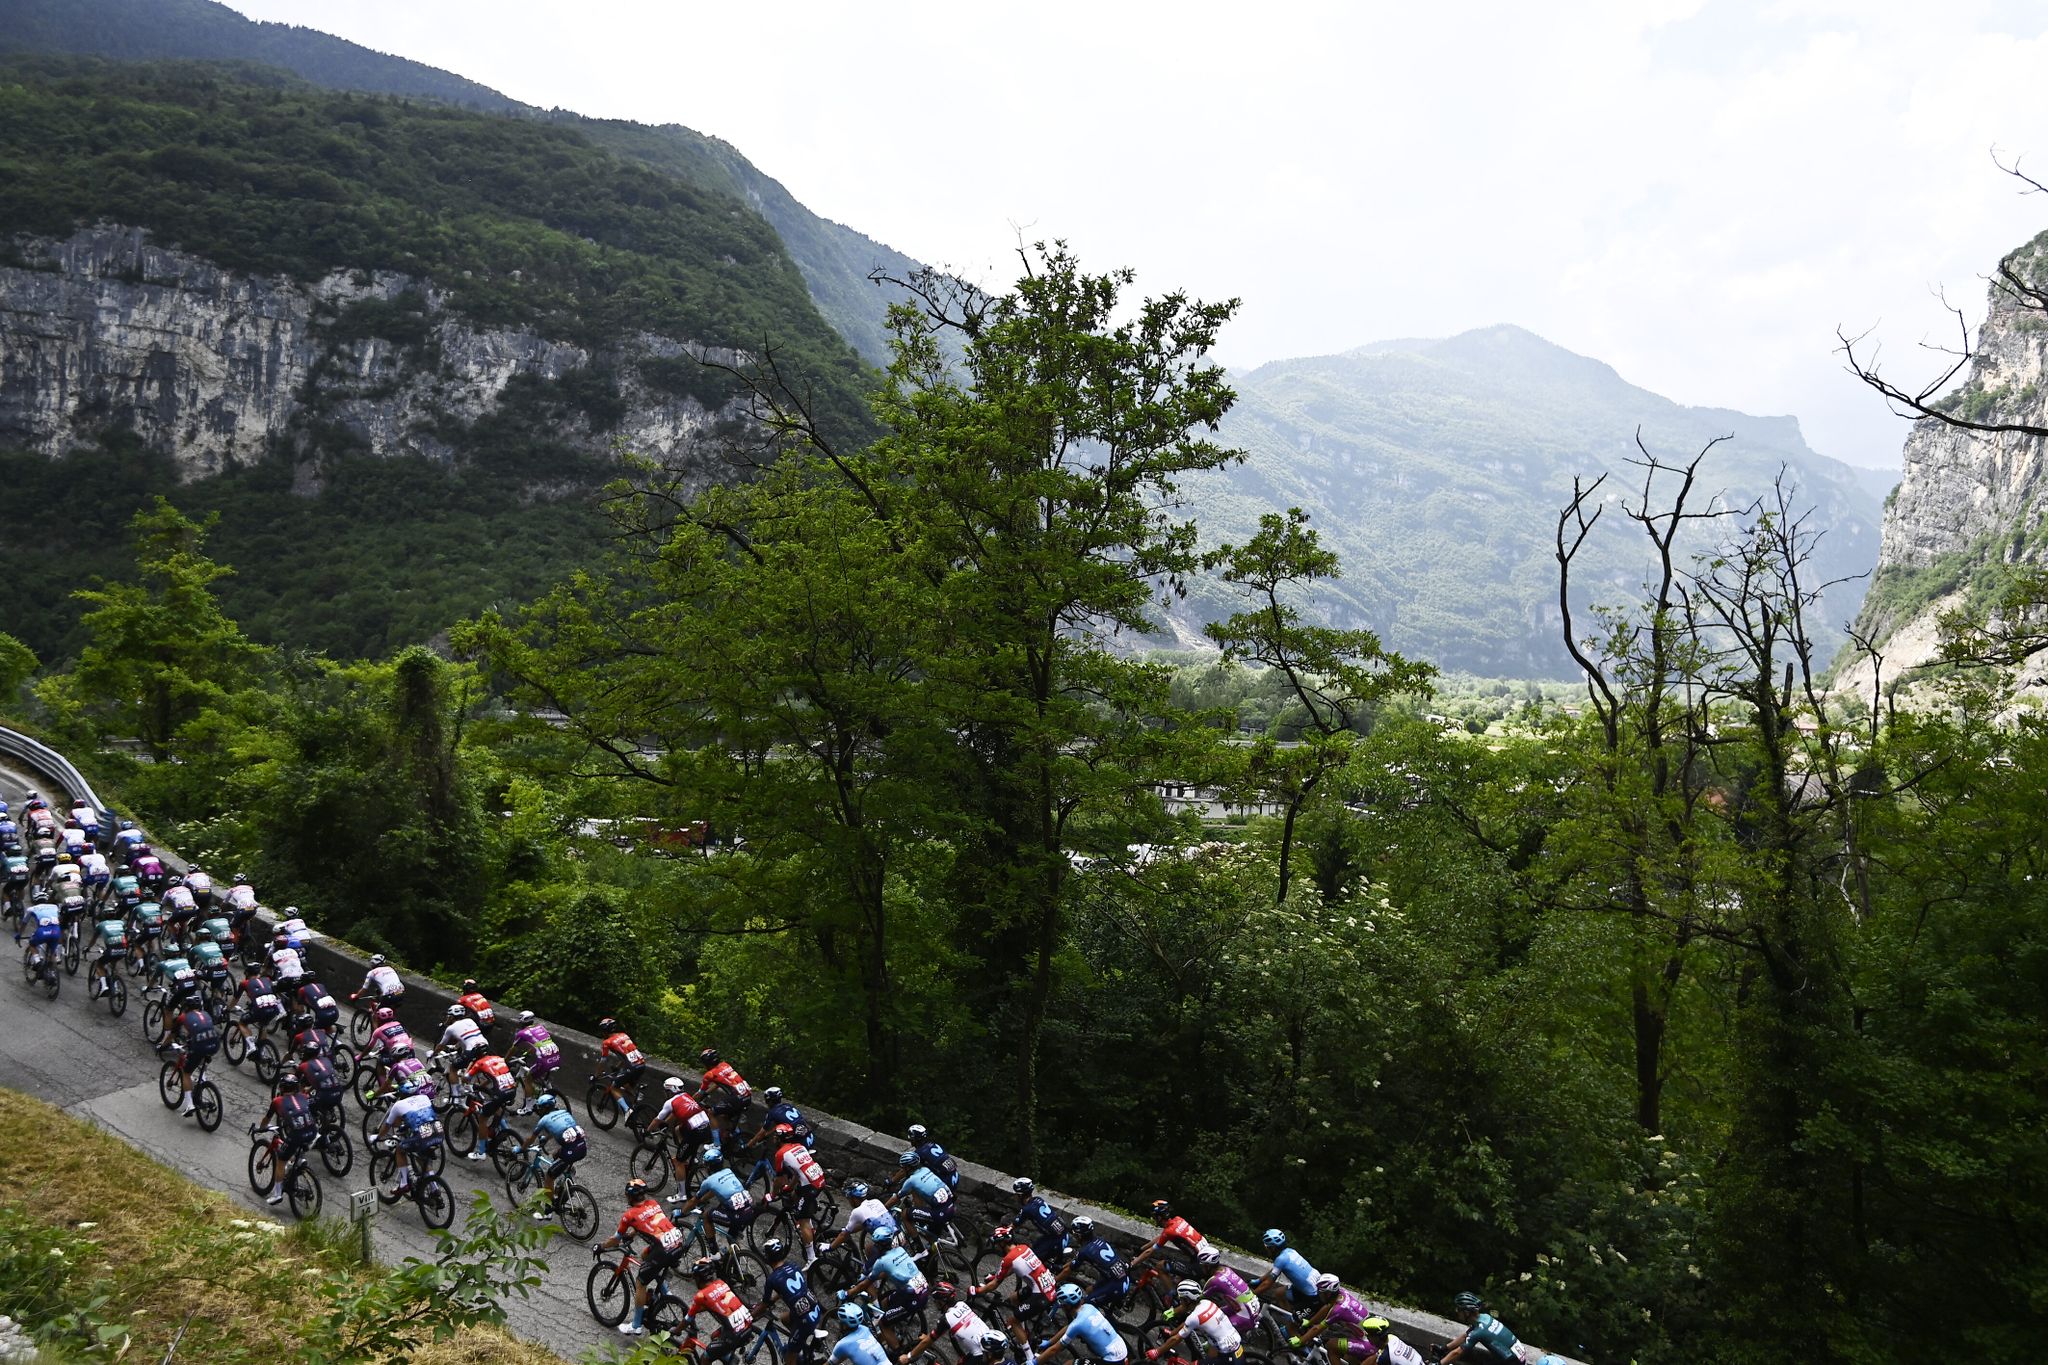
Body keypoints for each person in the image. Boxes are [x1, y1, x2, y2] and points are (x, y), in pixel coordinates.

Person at [596, 1176, 689, 1337]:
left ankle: (636, 1325)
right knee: (645, 1255)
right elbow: (649, 1223)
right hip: (677, 1241)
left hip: (663, 1249)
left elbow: (615, 1239)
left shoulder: (629, 1214)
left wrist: (601, 1246)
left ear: (630, 1197)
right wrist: (632, 1233)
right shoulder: (653, 1203)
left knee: (641, 1282)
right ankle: (666, 1295)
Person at [968, 1223, 1059, 1349]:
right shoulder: (1024, 1247)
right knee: (1014, 1298)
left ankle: (1029, 1358)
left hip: (1041, 1295)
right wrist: (997, 1276)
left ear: (1001, 1243)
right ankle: (1025, 1330)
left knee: (1012, 1321)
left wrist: (977, 1290)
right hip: (1048, 1286)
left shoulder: (1008, 1259)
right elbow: (1016, 1268)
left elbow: (994, 1286)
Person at [842, 1226, 929, 1352]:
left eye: (876, 1244)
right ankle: (888, 1334)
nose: (874, 1246)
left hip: (912, 1296)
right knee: (884, 1304)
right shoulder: (899, 1249)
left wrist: (847, 1293)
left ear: (880, 1245)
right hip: (921, 1287)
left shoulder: (881, 1262)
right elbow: (893, 1269)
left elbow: (865, 1284)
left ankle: (898, 1355)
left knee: (883, 1322)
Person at [899, 1280, 1010, 1365]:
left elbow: (928, 1341)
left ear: (942, 1301)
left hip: (980, 1354)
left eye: (936, 1301)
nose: (936, 1304)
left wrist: (908, 1357)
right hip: (985, 1346)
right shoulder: (962, 1304)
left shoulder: (947, 1318)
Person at [751, 1238, 825, 1365]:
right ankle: (802, 1346)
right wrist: (772, 1301)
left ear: (767, 1257)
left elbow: (764, 1304)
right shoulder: (793, 1266)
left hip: (805, 1321)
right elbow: (785, 1290)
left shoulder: (772, 1279)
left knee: (789, 1362)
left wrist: (750, 1316)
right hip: (815, 1309)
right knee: (784, 1318)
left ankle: (796, 1350)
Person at [252, 1073, 320, 1205]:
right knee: (295, 1150)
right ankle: (299, 1161)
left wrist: (261, 1129)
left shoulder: (277, 1101)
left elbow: (267, 1119)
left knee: (281, 1161)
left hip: (297, 1134)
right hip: (312, 1132)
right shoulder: (304, 1096)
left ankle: (277, 1194)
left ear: (282, 1088)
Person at [768, 1123, 830, 1262]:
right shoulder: (799, 1146)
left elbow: (779, 1179)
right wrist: (790, 1187)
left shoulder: (780, 1154)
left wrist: (772, 1195)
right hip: (818, 1178)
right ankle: (811, 1225)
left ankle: (811, 1258)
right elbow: (798, 1172)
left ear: (779, 1138)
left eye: (774, 1136)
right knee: (794, 1197)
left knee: (803, 1221)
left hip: (810, 1186)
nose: (772, 1138)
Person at [676, 1144, 757, 1248]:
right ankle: (734, 1259)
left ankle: (714, 1252)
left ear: (709, 1166)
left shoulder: (709, 1181)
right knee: (731, 1237)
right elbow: (715, 1191)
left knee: (707, 1215)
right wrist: (703, 1200)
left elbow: (693, 1201)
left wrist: (682, 1212)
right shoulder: (728, 1171)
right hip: (749, 1210)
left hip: (737, 1215)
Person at [518, 1092, 588, 1215]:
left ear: (544, 1108)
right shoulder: (564, 1112)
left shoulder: (544, 1120)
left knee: (549, 1175)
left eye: (540, 1108)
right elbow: (561, 1128)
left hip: (571, 1151)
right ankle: (564, 1182)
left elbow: (530, 1139)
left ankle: (548, 1210)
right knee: (557, 1155)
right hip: (581, 1147)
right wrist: (547, 1138)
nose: (539, 1110)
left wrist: (521, 1149)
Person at [375, 1075, 442, 1200]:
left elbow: (388, 1126)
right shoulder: (424, 1097)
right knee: (422, 1157)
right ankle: (434, 1189)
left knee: (400, 1149)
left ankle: (404, 1183)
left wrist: (378, 1137)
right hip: (438, 1131)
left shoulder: (398, 1105)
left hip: (422, 1135)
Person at [680, 1253, 757, 1360]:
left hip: (734, 1335)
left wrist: (677, 1330)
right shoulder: (721, 1283)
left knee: (705, 1358)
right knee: (714, 1337)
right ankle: (728, 1358)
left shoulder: (701, 1295)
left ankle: (730, 1358)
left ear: (698, 1278)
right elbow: (719, 1303)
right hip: (747, 1326)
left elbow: (688, 1318)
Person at [644, 1075, 716, 1187]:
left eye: (666, 1091)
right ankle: (690, 1156)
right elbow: (674, 1115)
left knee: (678, 1162)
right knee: (678, 1129)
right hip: (706, 1128)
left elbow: (657, 1120)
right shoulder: (686, 1096)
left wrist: (647, 1131)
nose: (665, 1093)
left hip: (696, 1132)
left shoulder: (670, 1102)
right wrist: (666, 1124)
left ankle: (681, 1194)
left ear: (670, 1090)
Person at [1037, 1282, 1130, 1365]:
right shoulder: (1088, 1307)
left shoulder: (1077, 1324)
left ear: (1067, 1306)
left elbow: (1054, 1350)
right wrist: (1049, 1342)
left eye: (1062, 1305)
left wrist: (1034, 1362)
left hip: (1113, 1359)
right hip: (1121, 1348)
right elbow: (1069, 1327)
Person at [161, 989, 220, 1118]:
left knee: (186, 1072)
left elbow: (173, 1034)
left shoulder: (183, 1017)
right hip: (215, 1044)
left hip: (200, 1046)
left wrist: (163, 1045)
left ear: (186, 1007)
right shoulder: (205, 1013)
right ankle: (202, 1082)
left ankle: (189, 1105)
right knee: (200, 1059)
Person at [1149, 1281, 1242, 1363]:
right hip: (1235, 1344)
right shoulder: (1207, 1303)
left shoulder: (1194, 1317)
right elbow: (1188, 1324)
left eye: (1181, 1299)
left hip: (1227, 1354)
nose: (1180, 1302)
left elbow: (1176, 1339)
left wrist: (1157, 1352)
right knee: (1207, 1354)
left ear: (1187, 1300)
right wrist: (1173, 1332)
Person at [1291, 1275, 1375, 1365]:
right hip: (1367, 1337)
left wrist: (1301, 1341)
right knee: (1347, 1357)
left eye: (1321, 1293)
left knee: (1331, 1345)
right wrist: (1310, 1322)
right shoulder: (1342, 1293)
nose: (1319, 1295)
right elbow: (1327, 1306)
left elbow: (1318, 1328)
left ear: (1328, 1294)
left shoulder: (1339, 1310)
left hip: (1370, 1343)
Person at [887, 1149, 959, 1254]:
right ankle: (931, 1260)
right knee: (929, 1234)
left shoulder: (911, 1181)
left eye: (903, 1167)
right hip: (951, 1206)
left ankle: (918, 1249)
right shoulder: (925, 1170)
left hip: (940, 1213)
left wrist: (883, 1208)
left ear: (907, 1167)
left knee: (905, 1214)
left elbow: (896, 1198)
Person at [1057, 1217, 1132, 1315]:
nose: (1074, 1236)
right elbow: (1073, 1262)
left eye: (1075, 1234)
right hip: (1121, 1278)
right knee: (1089, 1289)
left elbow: (1068, 1271)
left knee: (1082, 1308)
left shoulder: (1085, 1251)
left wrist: (1055, 1280)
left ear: (1079, 1235)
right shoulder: (1099, 1240)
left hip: (1116, 1285)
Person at [1130, 1201, 1215, 1275]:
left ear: (1159, 1217)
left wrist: (1132, 1264)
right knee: (1179, 1277)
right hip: (1205, 1258)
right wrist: (1142, 1248)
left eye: (1154, 1216)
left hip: (1200, 1265)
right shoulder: (1178, 1219)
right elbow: (1161, 1238)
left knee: (1160, 1266)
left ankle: (1171, 1294)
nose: (1154, 1219)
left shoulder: (1169, 1232)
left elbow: (1149, 1252)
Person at [463, 1051, 520, 1159]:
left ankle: (481, 1153)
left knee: (483, 1118)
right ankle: (505, 1132)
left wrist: (468, 1068)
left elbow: (465, 1079)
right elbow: (493, 1077)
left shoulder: (479, 1063)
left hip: (501, 1093)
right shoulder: (497, 1057)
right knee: (496, 1107)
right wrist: (480, 1086)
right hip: (512, 1089)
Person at [1249, 1231, 1320, 1313]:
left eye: (1267, 1247)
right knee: (1279, 1293)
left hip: (1313, 1295)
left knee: (1295, 1321)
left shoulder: (1281, 1259)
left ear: (1272, 1248)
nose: (1266, 1250)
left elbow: (1267, 1284)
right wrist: (1258, 1280)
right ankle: (1288, 1318)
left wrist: (1252, 1295)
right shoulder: (1290, 1251)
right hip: (1314, 1284)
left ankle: (1291, 1324)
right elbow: (1275, 1270)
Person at [506, 1010, 562, 1113]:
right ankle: (551, 1098)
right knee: (544, 1080)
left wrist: (505, 1061)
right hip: (556, 1055)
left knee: (528, 1079)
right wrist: (527, 1054)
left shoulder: (521, 1033)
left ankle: (528, 1108)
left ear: (522, 1022)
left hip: (544, 1059)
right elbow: (538, 1044)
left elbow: (513, 1049)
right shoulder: (541, 1028)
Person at [1439, 1293, 1519, 1365]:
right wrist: (1443, 1348)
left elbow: (1457, 1353)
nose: (1456, 1311)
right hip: (1515, 1357)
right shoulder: (1485, 1317)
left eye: (1459, 1309)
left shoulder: (1479, 1332)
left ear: (1467, 1312)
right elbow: (1465, 1336)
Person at [594, 1017, 647, 1123]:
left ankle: (627, 1111)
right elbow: (627, 1053)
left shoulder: (607, 1042)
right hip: (641, 1065)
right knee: (626, 1084)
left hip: (631, 1068)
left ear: (604, 1031)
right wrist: (618, 1066)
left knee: (614, 1087)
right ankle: (636, 1100)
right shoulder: (624, 1035)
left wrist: (596, 1075)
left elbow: (603, 1061)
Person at [1008, 1177, 1069, 1267]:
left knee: (1031, 1262)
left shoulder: (1027, 1209)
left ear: (1020, 1195)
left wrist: (1003, 1231)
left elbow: (1013, 1225)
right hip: (1061, 1235)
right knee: (1034, 1249)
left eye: (1016, 1194)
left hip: (1055, 1240)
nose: (1015, 1197)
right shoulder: (1038, 1199)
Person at [695, 1046, 752, 1140]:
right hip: (747, 1096)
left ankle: (716, 1144)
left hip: (736, 1099)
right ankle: (737, 1139)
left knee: (711, 1113)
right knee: (724, 1115)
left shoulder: (709, 1075)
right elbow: (718, 1084)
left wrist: (692, 1099)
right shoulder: (725, 1065)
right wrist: (707, 1093)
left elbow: (700, 1093)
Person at [828, 1179, 898, 1254]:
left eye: (849, 1198)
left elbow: (843, 1235)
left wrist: (829, 1247)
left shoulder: (857, 1211)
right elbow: (866, 1224)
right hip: (899, 1239)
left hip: (889, 1245)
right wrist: (850, 1230)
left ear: (853, 1198)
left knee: (868, 1250)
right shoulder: (876, 1201)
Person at [233, 963, 286, 1052]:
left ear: (247, 973)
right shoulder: (267, 979)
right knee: (263, 1025)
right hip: (274, 1009)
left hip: (260, 1009)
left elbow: (236, 998)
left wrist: (228, 1009)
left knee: (242, 1023)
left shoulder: (244, 983)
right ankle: (262, 1050)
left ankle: (251, 1046)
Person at [747, 1085, 814, 1150]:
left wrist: (749, 1144)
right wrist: (768, 1133)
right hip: (810, 1136)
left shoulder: (772, 1113)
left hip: (800, 1142)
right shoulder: (788, 1105)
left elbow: (761, 1133)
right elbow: (785, 1124)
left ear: (768, 1100)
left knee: (781, 1149)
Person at [437, 1002, 489, 1083]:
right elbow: (467, 1036)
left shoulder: (450, 1028)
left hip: (472, 1049)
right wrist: (456, 1047)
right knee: (474, 1068)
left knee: (453, 1068)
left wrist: (433, 1054)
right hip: (485, 1045)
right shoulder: (470, 1021)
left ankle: (456, 1094)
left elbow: (440, 1046)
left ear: (451, 1017)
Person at [86, 913, 128, 999]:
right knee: (114, 964)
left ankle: (104, 987)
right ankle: (116, 987)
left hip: (111, 950)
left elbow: (94, 939)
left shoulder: (101, 925)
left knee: (99, 964)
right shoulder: (120, 922)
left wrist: (88, 948)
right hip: (123, 949)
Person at [15, 899, 61, 975]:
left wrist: (19, 935)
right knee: (52, 954)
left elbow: (24, 923)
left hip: (43, 931)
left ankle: (37, 962)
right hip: (56, 930)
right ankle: (53, 975)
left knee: (32, 944)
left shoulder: (31, 909)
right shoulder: (54, 906)